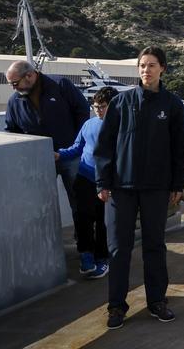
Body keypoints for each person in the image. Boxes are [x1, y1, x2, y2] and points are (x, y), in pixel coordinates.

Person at [94, 46, 184, 329]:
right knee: (118, 249)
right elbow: (105, 145)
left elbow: (180, 148)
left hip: (157, 188)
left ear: (162, 69)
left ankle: (157, 301)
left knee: (154, 246)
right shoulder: (121, 102)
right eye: (142, 65)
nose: (146, 70)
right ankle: (116, 306)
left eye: (152, 65)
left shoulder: (172, 105)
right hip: (120, 187)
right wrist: (102, 181)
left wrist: (177, 183)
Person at [4, 59, 90, 260]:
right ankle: (46, 246)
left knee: (79, 202)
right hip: (39, 162)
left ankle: (85, 245)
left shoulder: (60, 85)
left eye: (15, 83)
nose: (13, 88)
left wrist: (76, 146)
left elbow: (82, 111)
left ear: (30, 75)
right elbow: (11, 130)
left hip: (70, 156)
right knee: (39, 205)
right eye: (11, 85)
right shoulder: (14, 101)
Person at [55, 86, 116, 280]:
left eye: (102, 106)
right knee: (82, 218)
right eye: (95, 106)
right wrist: (60, 154)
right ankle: (86, 255)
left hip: (107, 183)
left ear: (113, 106)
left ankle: (102, 259)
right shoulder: (88, 124)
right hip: (84, 177)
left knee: (103, 222)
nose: (98, 110)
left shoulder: (123, 126)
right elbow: (77, 147)